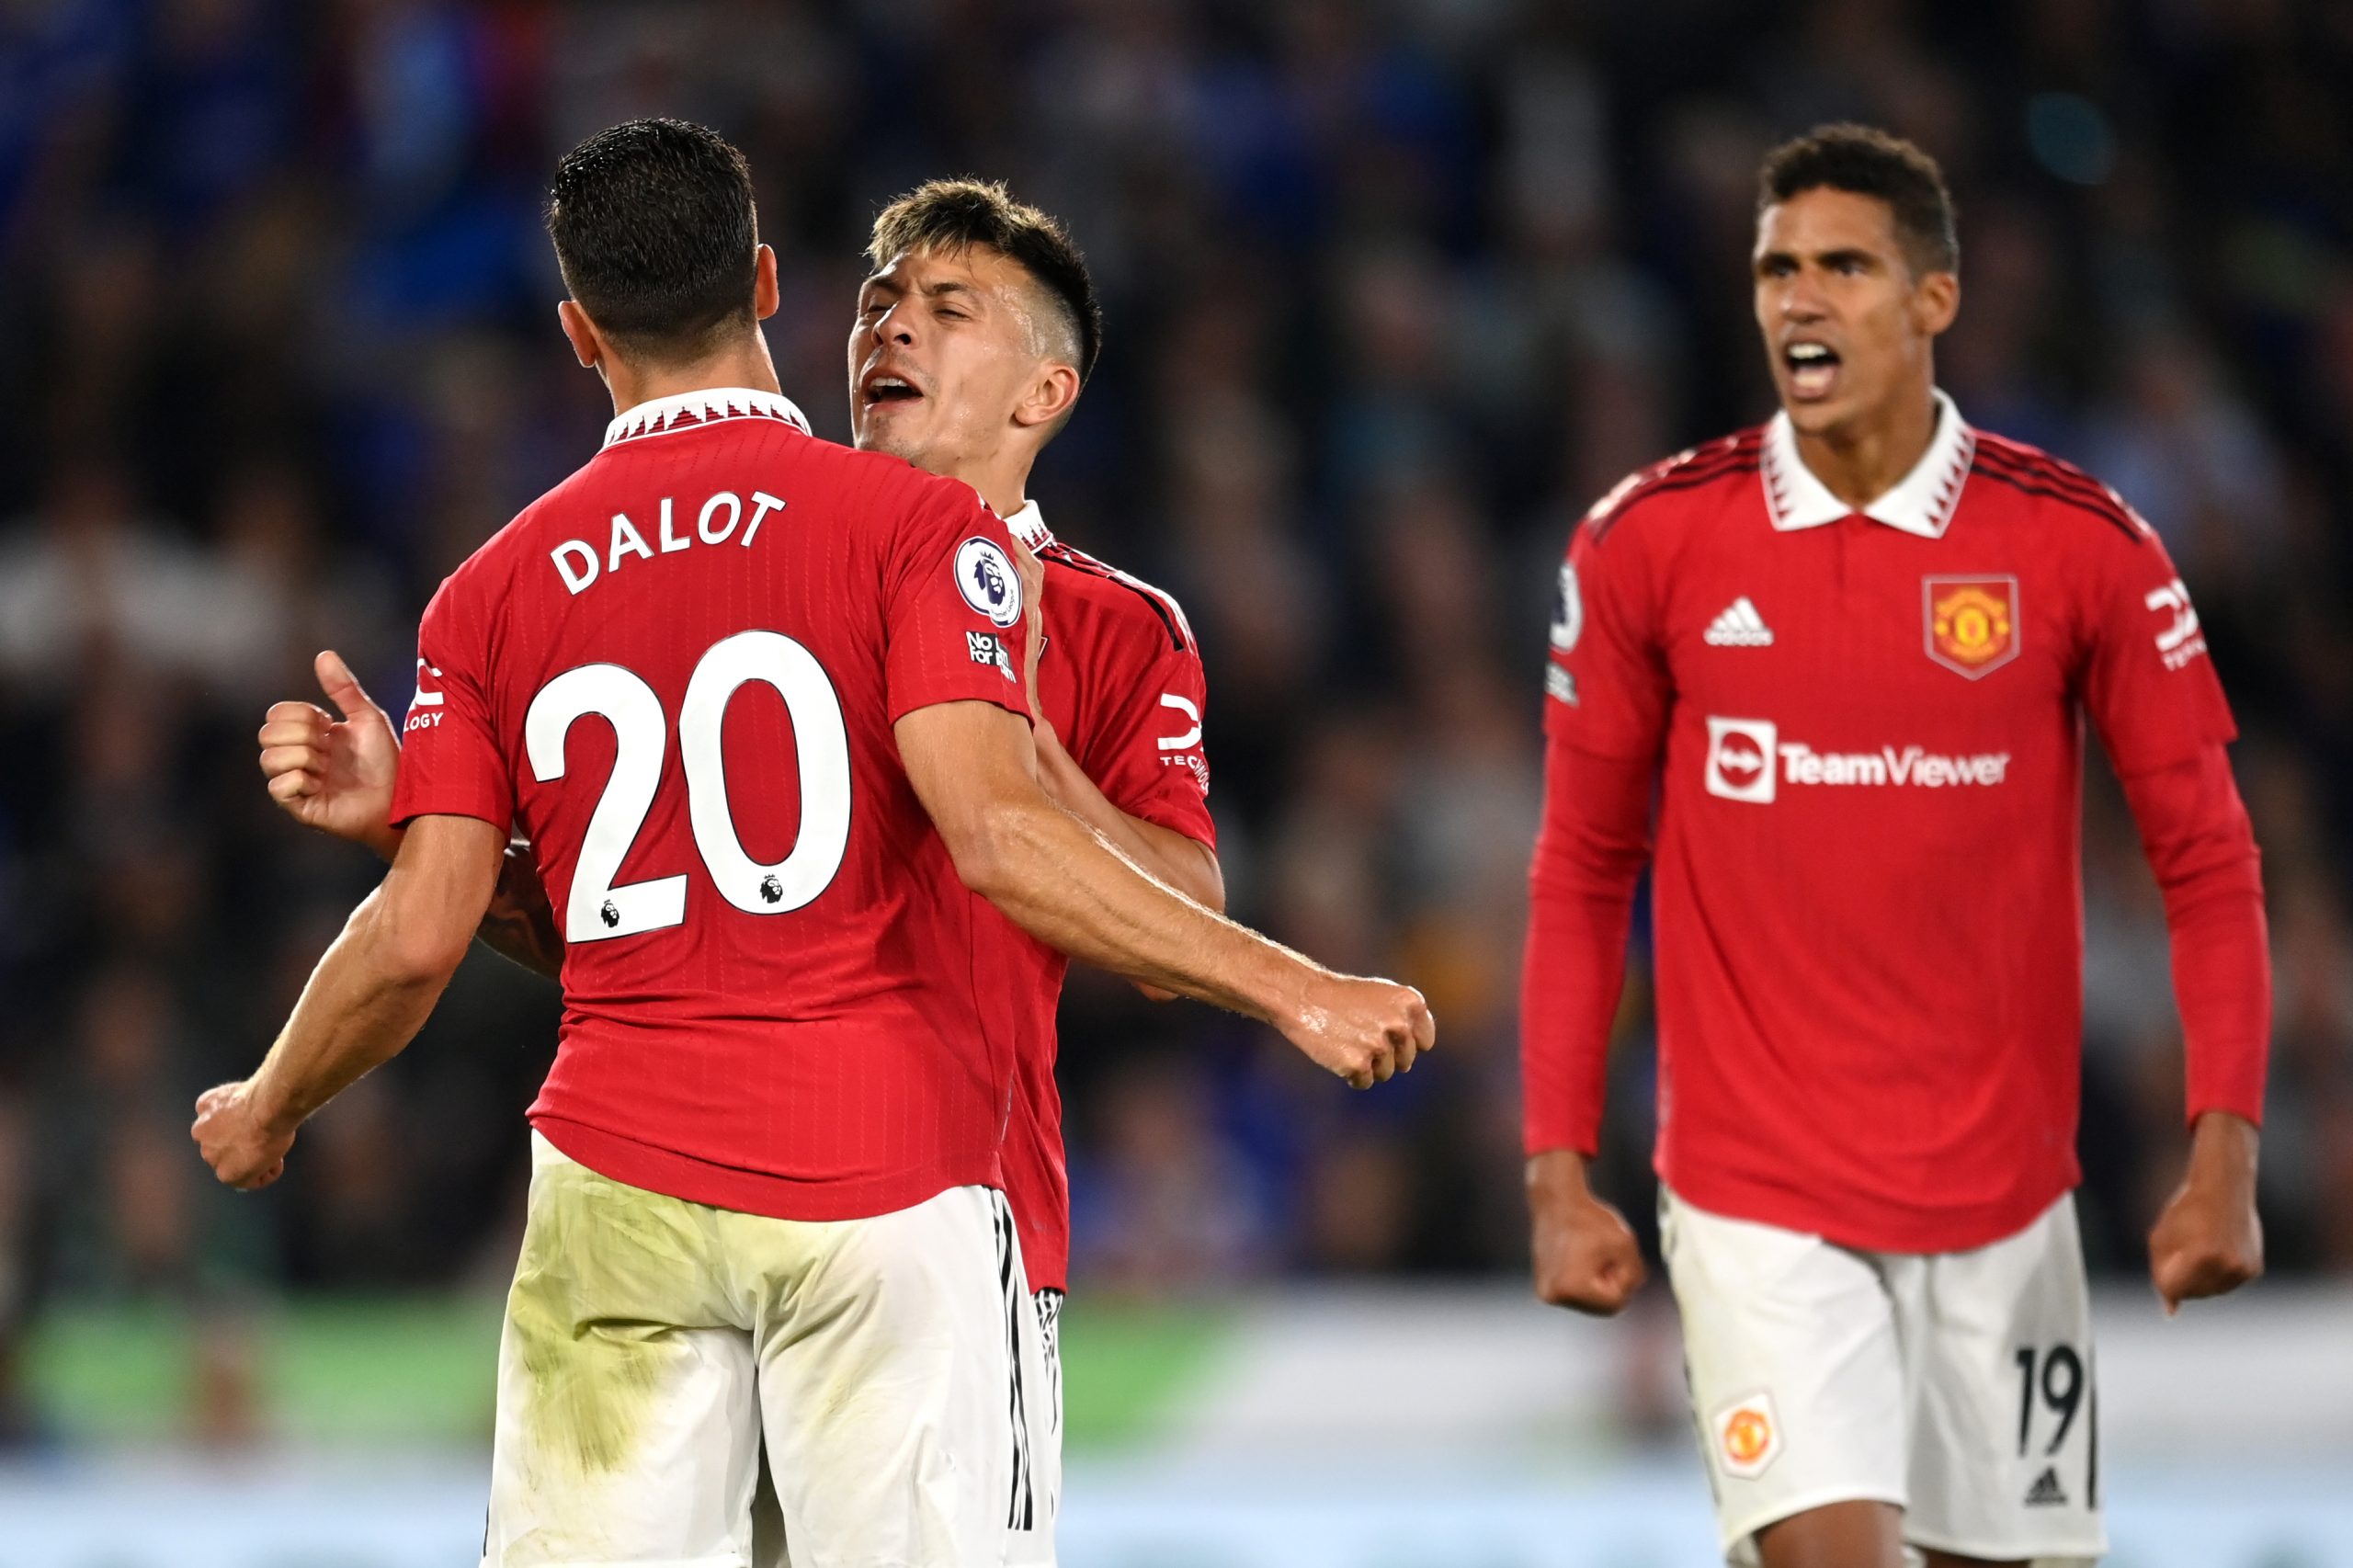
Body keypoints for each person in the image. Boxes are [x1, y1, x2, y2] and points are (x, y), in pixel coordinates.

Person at [196, 118, 1433, 1568]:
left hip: (704, 1186)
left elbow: (1143, 900)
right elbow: (649, 918)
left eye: (945, 309)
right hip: (893, 1188)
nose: (893, 327)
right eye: (878, 302)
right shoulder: (876, 541)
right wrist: (1291, 983)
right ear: (774, 289)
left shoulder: (1102, 621)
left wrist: (1045, 776)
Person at [1520, 123, 2268, 1568]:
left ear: (1936, 300)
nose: (1799, 298)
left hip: (2007, 1207)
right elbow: (1579, 868)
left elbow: (2209, 861)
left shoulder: (2082, 547)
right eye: (1776, 268)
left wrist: (2222, 1147)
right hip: (1758, 1201)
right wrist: (1558, 1169)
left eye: (1844, 267)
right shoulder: (1648, 544)